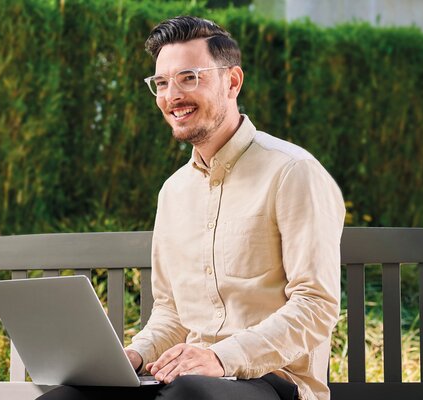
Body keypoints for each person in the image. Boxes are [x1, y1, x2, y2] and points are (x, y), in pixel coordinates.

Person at [39, 16, 345, 400]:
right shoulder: (173, 192)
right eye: (162, 83)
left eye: (189, 77)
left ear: (232, 81)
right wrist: (133, 355)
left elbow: (315, 306)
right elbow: (169, 313)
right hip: (186, 379)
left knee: (191, 394)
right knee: (66, 398)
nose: (171, 96)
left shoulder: (292, 172)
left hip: (272, 381)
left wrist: (220, 357)